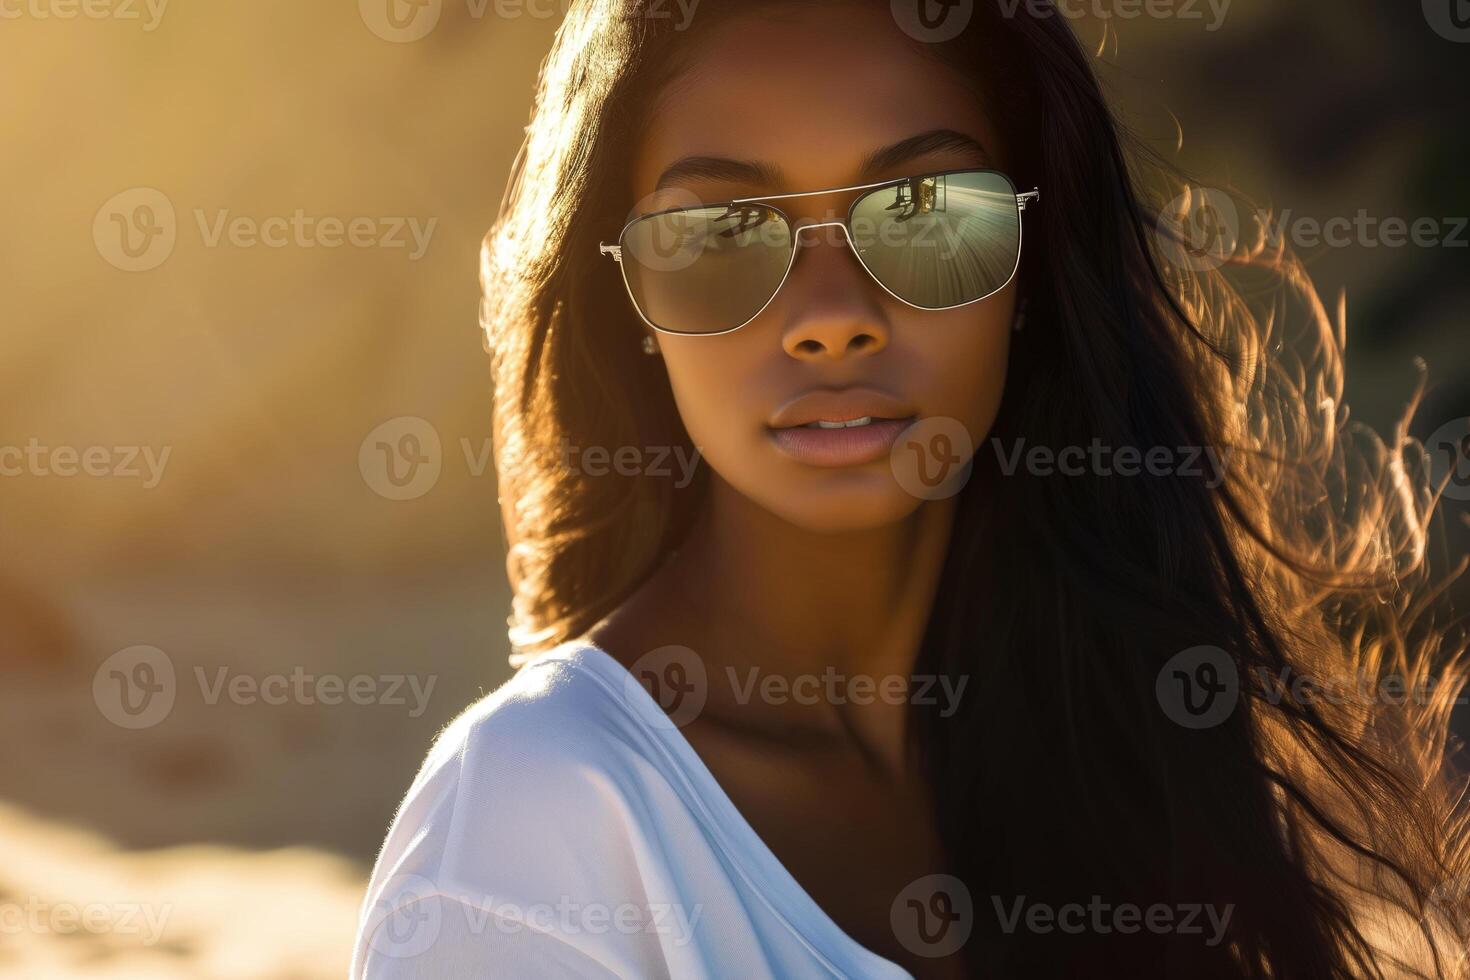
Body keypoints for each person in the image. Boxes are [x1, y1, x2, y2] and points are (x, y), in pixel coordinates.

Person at [353, 1, 1470, 975]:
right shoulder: (525, 823)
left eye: (927, 209)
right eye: (724, 229)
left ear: (1034, 265)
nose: (832, 312)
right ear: (630, 302)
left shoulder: (1113, 745)